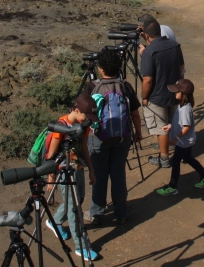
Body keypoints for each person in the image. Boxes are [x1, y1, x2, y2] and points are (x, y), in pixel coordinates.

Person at [84, 48, 143, 226]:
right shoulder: (125, 86)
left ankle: (97, 212)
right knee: (118, 175)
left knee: (99, 176)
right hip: (122, 138)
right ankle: (121, 212)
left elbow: (84, 114)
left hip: (99, 138)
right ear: (118, 67)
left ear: (100, 68)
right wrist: (138, 133)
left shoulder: (93, 87)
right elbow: (134, 114)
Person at [45, 95, 100, 262]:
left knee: (79, 199)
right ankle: (81, 246)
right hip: (63, 170)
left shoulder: (84, 126)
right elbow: (52, 154)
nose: (88, 121)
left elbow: (84, 149)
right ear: (76, 110)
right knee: (74, 208)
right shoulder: (60, 126)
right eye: (86, 116)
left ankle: (54, 221)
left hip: (78, 167)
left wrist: (91, 170)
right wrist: (51, 175)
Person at [155, 79, 204, 196]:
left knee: (175, 161)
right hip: (186, 141)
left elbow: (186, 127)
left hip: (184, 141)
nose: (174, 93)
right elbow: (180, 122)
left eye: (177, 91)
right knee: (188, 158)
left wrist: (176, 138)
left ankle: (173, 186)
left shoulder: (185, 109)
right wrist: (170, 126)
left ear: (184, 94)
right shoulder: (181, 105)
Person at [139, 20, 185, 167]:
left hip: (156, 96)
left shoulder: (149, 52)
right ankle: (176, 149)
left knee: (161, 128)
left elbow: (147, 80)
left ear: (146, 35)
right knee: (171, 124)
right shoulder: (174, 45)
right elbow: (181, 67)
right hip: (174, 91)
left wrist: (144, 97)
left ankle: (164, 158)